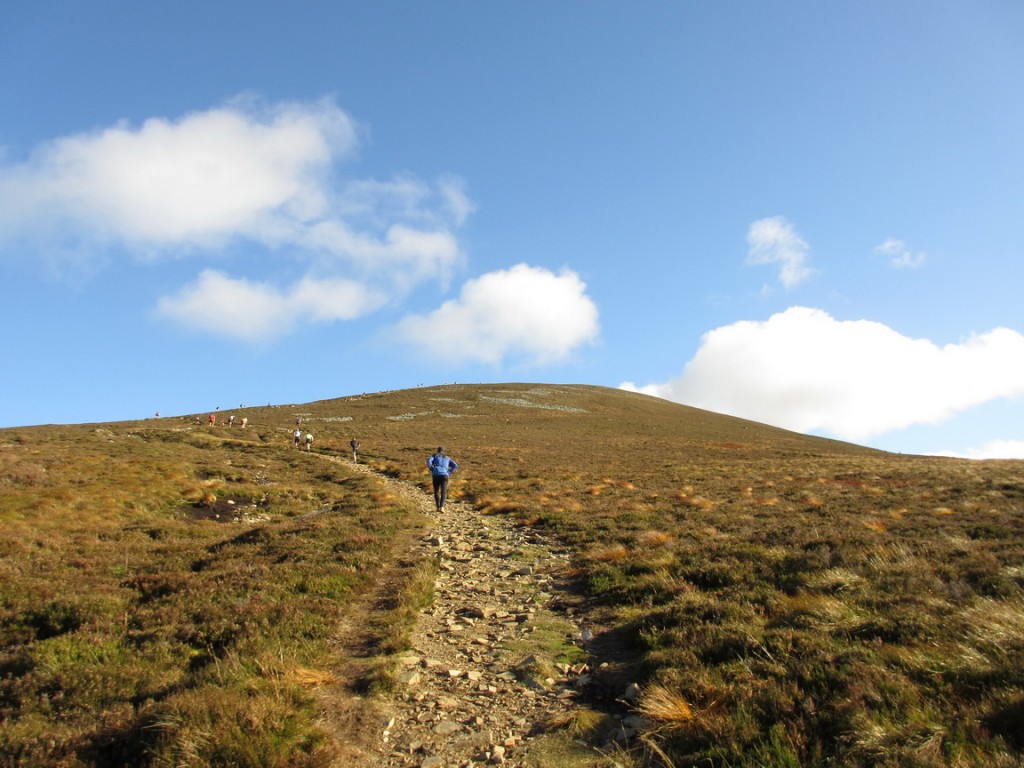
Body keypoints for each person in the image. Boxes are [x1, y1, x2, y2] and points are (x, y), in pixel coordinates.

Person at [426, 446, 458, 511]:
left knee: (436, 491)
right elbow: (455, 466)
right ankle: (442, 507)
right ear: (444, 451)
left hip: (436, 474)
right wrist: (449, 472)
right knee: (444, 491)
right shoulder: (447, 457)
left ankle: (438, 507)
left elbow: (428, 461)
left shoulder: (434, 456)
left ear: (437, 450)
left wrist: (432, 468)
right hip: (445, 475)